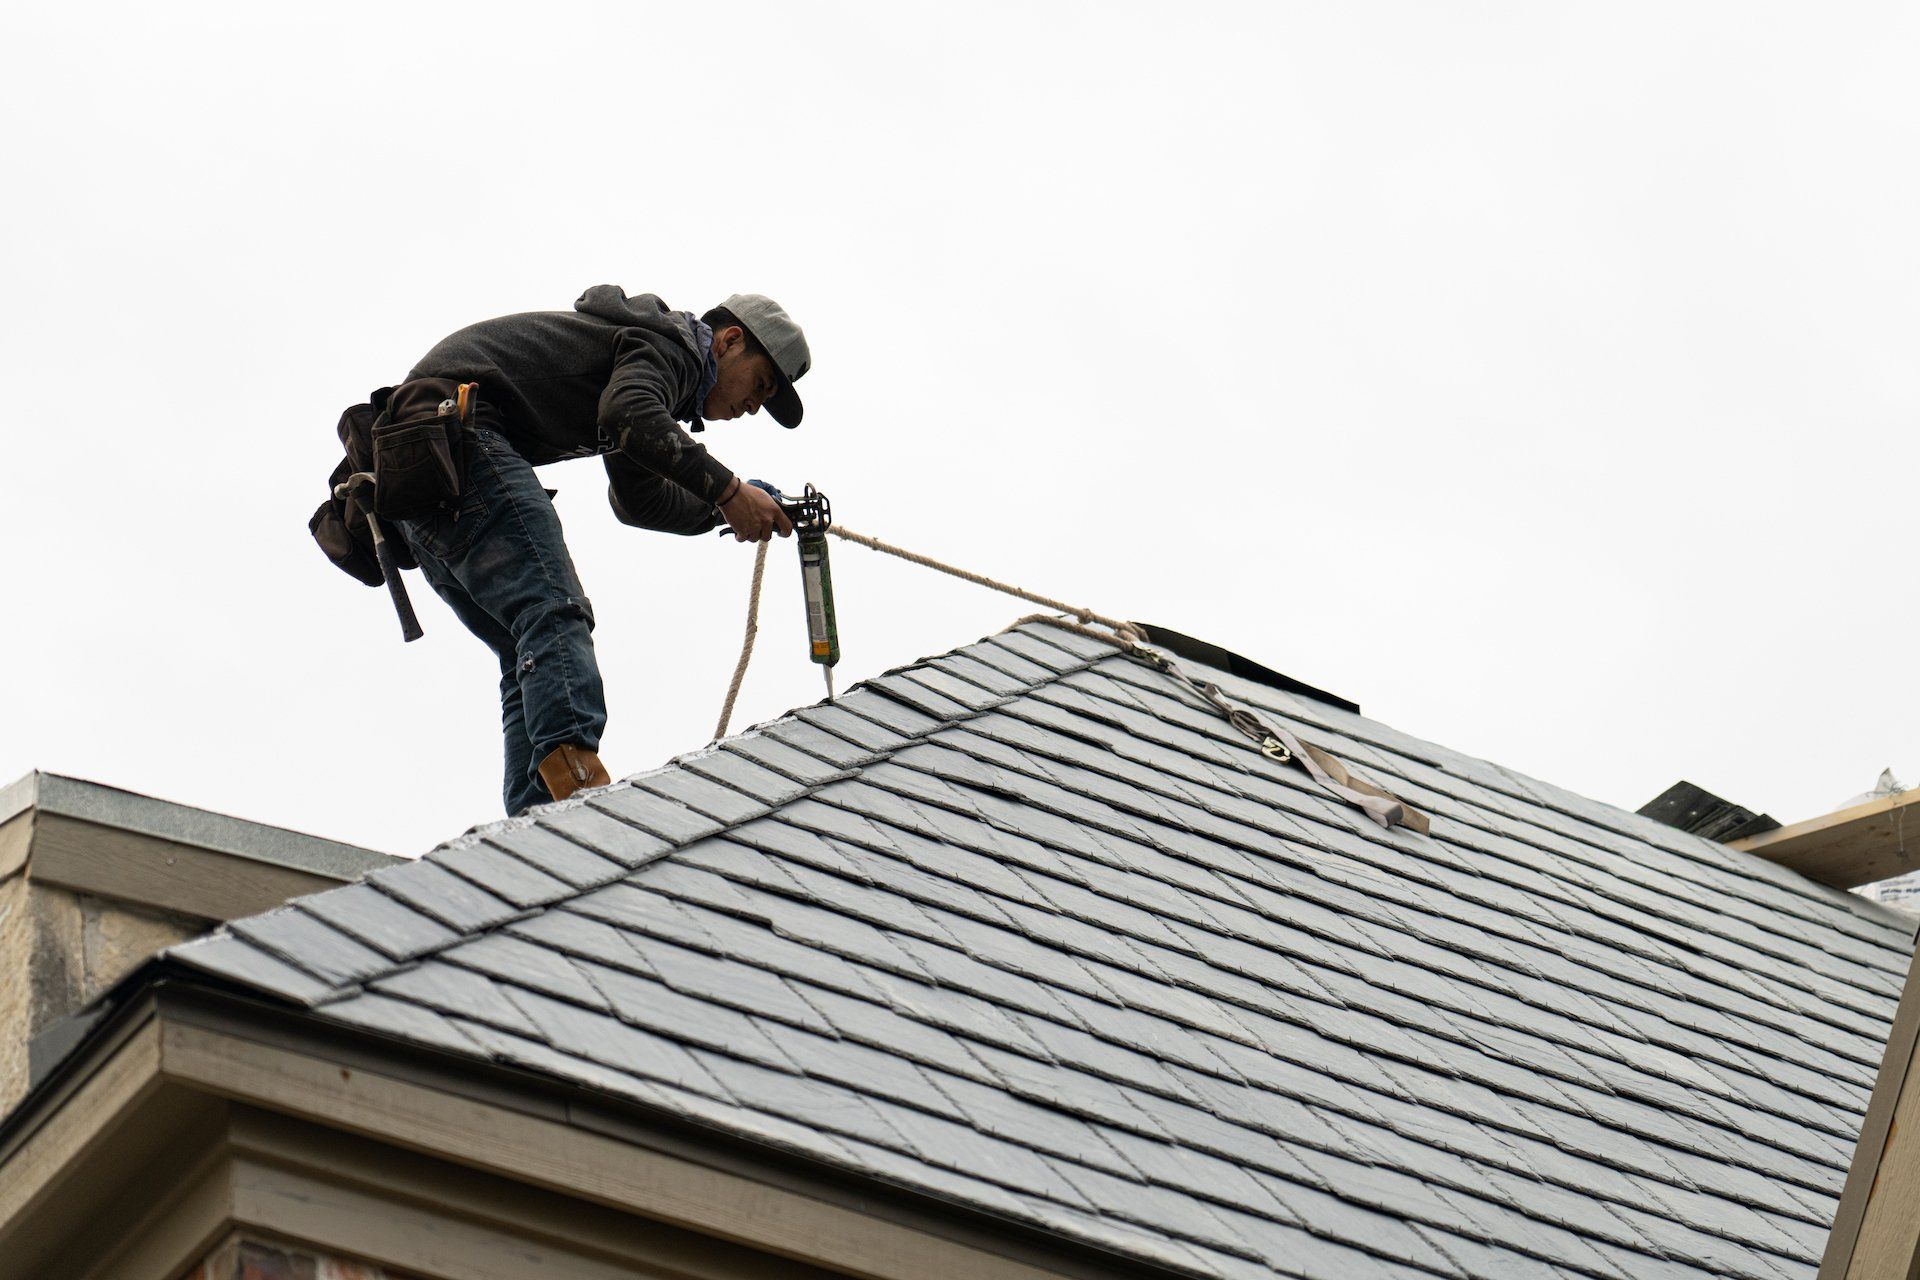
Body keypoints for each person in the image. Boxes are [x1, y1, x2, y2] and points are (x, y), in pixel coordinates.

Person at [388, 285, 810, 815]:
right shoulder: (672, 347)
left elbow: (639, 499)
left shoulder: (644, 374)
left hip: (419, 469)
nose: (754, 406)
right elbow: (627, 415)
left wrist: (721, 507)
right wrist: (728, 490)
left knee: (530, 652)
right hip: (459, 436)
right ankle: (577, 799)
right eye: (761, 384)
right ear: (728, 341)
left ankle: (534, 824)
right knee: (554, 614)